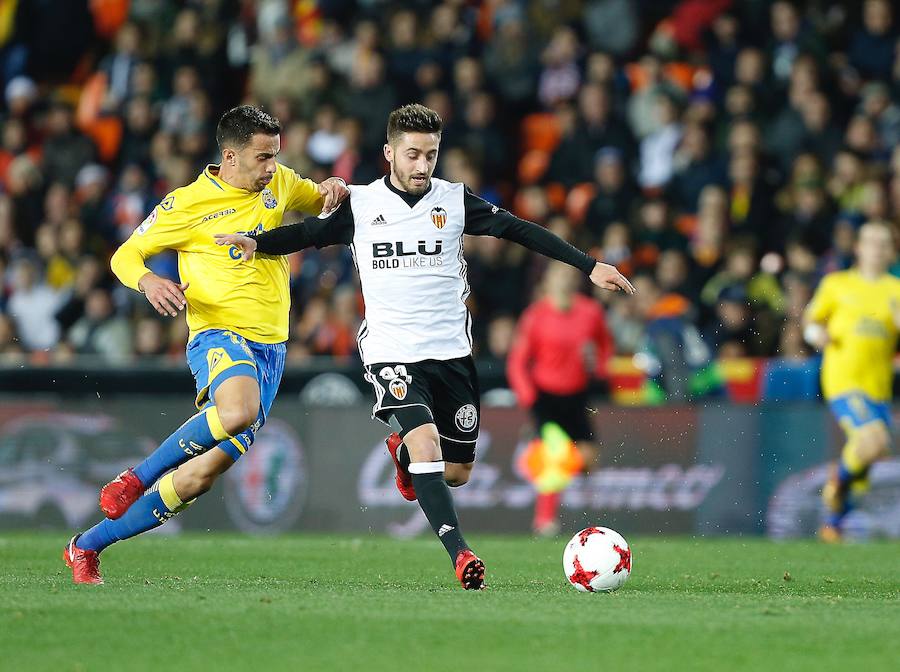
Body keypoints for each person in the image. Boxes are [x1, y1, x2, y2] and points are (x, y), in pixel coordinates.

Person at [215, 104, 634, 590]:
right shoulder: (363, 204)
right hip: (391, 352)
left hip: (451, 354)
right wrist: (256, 243)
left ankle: (402, 453)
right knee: (427, 444)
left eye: (430, 156)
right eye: (412, 154)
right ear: (389, 153)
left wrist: (588, 266)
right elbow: (310, 233)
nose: (421, 166)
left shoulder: (454, 201)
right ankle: (461, 554)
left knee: (455, 471)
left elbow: (518, 229)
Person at [62, 105, 349, 584]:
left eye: (275, 156)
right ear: (230, 157)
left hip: (272, 348)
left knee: (199, 477)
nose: (272, 168)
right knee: (237, 409)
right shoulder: (187, 203)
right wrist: (149, 281)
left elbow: (318, 199)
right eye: (262, 158)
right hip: (219, 333)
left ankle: (85, 546)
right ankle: (135, 478)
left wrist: (332, 192)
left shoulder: (277, 182)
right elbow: (124, 255)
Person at [803, 220, 900, 542]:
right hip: (843, 379)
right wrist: (817, 334)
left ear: (891, 251)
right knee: (874, 442)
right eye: (871, 241)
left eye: (884, 243)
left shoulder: (896, 290)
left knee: (867, 458)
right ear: (858, 247)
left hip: (879, 387)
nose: (877, 248)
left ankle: (833, 522)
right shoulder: (837, 284)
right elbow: (811, 321)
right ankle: (837, 480)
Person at [506, 262, 614, 535]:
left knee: (588, 460)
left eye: (569, 276)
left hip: (578, 395)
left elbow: (605, 344)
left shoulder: (591, 312)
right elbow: (517, 362)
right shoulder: (536, 316)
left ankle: (534, 463)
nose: (564, 281)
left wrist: (601, 368)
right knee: (555, 457)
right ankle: (545, 520)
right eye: (559, 276)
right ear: (548, 283)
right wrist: (529, 398)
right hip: (547, 397)